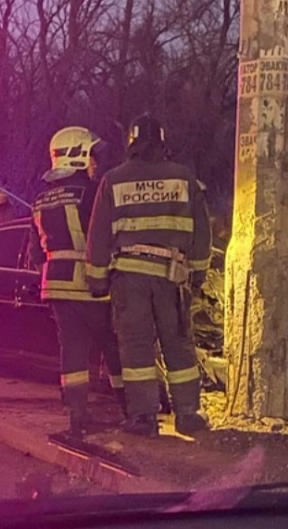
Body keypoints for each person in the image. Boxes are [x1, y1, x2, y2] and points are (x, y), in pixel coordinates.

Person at [85, 115, 212, 438]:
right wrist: (197, 275)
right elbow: (202, 232)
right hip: (173, 278)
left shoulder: (113, 181)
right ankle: (188, 413)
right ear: (162, 142)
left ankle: (143, 417)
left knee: (136, 348)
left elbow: (98, 236)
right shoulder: (183, 178)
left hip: (130, 280)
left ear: (131, 143)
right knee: (178, 344)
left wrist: (97, 280)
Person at [28, 127, 124, 435]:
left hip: (56, 287)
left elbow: (35, 254)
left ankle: (77, 413)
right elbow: (111, 233)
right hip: (92, 283)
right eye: (92, 155)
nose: (95, 162)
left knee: (72, 349)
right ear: (78, 156)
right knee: (113, 344)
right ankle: (130, 407)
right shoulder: (93, 192)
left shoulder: (40, 199)